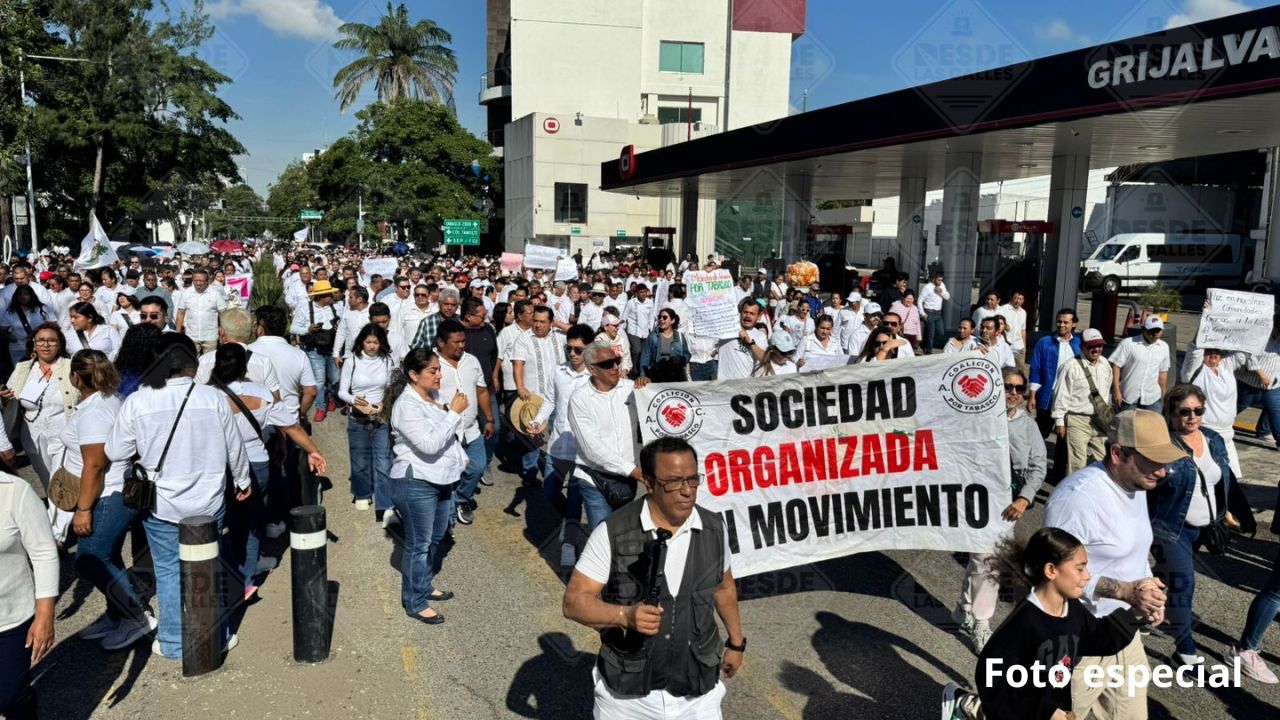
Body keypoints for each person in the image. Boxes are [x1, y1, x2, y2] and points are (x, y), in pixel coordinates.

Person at [564, 436, 744, 719]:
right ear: (648, 481)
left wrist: (736, 643)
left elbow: (724, 587)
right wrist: (625, 615)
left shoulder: (714, 527)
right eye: (673, 482)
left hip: (697, 693)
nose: (687, 491)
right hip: (627, 698)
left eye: (692, 479)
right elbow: (574, 602)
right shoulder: (612, 531)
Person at [106, 333, 251, 659]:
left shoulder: (138, 401)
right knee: (208, 568)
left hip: (161, 504)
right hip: (210, 500)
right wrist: (242, 480)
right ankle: (219, 635)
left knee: (169, 570)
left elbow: (116, 451)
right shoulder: (213, 399)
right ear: (193, 362)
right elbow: (235, 447)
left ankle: (173, 642)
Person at [1043, 409, 1178, 717]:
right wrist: (1125, 591)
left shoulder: (1136, 484)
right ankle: (972, 707)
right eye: (1153, 461)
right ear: (1118, 453)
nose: (1162, 471)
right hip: (1077, 645)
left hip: (1124, 634)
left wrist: (1147, 590)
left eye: (1164, 461)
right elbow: (1052, 573)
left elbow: (1133, 552)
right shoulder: (1077, 499)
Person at [942, 528, 1144, 720]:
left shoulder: (1071, 609)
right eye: (1080, 568)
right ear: (1051, 570)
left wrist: (1136, 614)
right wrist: (1045, 710)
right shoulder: (1025, 622)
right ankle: (964, 704)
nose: (1087, 576)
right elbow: (992, 678)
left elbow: (1100, 638)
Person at [63, 350, 155, 650]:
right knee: (109, 554)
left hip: (107, 494)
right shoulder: (110, 400)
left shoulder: (94, 411)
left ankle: (136, 615)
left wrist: (83, 509)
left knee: (90, 560)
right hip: (114, 490)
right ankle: (117, 613)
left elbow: (95, 464)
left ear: (76, 378)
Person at [952, 367, 1047, 654]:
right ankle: (982, 622)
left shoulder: (1028, 425)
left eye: (1020, 389)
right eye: (1008, 387)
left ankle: (965, 608)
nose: (1014, 394)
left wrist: (1024, 499)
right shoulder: (978, 419)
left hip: (1008, 504)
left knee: (985, 559)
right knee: (985, 559)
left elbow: (1038, 465)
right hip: (977, 499)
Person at [1149, 384, 1234, 666]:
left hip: (1205, 527)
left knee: (1164, 577)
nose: (1192, 417)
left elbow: (1223, 478)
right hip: (1171, 529)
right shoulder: (1162, 447)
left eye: (1198, 411)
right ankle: (1184, 649)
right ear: (1171, 414)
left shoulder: (1213, 440)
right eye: (1184, 412)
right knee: (1184, 584)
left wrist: (1227, 510)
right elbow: (1144, 488)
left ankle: (1131, 602)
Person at [387, 348, 469, 625]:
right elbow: (429, 444)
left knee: (436, 536)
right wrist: (454, 414)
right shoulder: (406, 406)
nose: (438, 375)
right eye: (432, 371)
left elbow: (449, 438)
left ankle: (423, 584)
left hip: (442, 478)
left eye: (438, 370)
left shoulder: (435, 397)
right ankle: (415, 601)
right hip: (416, 479)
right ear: (413, 374)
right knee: (418, 544)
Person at [0, 323, 80, 541]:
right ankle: (63, 515)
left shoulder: (70, 366)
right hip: (32, 435)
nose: (46, 345)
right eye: (41, 340)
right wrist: (6, 397)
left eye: (52, 340)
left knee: (59, 481)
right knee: (47, 481)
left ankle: (56, 537)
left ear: (60, 344)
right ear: (33, 344)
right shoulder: (24, 368)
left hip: (63, 435)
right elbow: (11, 394)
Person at [208, 344, 275, 601]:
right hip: (257, 459)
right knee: (252, 525)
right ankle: (246, 578)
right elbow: (279, 424)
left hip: (220, 463)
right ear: (244, 366)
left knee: (224, 523)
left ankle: (227, 573)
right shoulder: (263, 393)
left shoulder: (208, 395)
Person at [527, 324, 596, 567]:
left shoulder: (597, 376)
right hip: (558, 444)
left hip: (582, 450)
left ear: (589, 348)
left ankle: (569, 542)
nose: (573, 354)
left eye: (578, 349)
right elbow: (550, 401)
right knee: (550, 490)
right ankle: (571, 522)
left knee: (576, 496)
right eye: (569, 348)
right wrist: (537, 421)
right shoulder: (558, 371)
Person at [569, 341, 649, 530]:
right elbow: (592, 449)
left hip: (627, 479)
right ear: (592, 370)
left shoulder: (632, 390)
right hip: (595, 478)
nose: (614, 367)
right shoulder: (579, 400)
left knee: (625, 536)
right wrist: (635, 471)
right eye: (607, 364)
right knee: (602, 536)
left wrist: (649, 390)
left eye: (617, 361)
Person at [0, 463, 57, 719]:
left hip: (11, 619)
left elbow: (44, 552)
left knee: (10, 694)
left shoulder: (15, 491)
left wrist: (44, 616)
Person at [435, 319, 494, 526]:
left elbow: (482, 390)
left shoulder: (472, 361)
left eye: (463, 341)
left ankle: (462, 500)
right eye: (456, 342)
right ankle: (446, 520)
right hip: (446, 433)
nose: (462, 345)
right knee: (448, 475)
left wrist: (489, 418)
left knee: (477, 468)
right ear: (441, 342)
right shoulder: (431, 364)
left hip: (472, 429)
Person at [1181, 340, 1249, 481]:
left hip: (1228, 435)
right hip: (1207, 435)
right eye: (1208, 351)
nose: (1213, 354)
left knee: (1232, 482)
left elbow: (1244, 349)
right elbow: (1194, 350)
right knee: (1211, 479)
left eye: (1216, 350)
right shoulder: (1195, 370)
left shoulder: (1226, 365)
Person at [1051, 328, 1114, 474]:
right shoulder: (1070, 366)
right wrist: (1059, 421)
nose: (1096, 349)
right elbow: (1061, 394)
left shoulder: (1105, 364)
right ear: (1082, 347)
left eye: (1099, 345)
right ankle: (1073, 492)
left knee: (1103, 460)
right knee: (1077, 463)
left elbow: (1106, 392)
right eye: (1091, 346)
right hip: (1077, 418)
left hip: (1099, 420)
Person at [292, 280, 342, 421]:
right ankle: (321, 407)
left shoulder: (337, 308)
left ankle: (330, 395)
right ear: (321, 296)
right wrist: (307, 329)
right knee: (319, 381)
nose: (332, 296)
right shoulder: (304, 309)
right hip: (314, 350)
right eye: (329, 294)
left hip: (332, 348)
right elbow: (293, 328)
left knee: (335, 378)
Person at [1110, 316, 1170, 412]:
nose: (1155, 334)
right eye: (1152, 330)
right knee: (1128, 426)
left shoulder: (1164, 347)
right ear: (1143, 329)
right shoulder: (1128, 343)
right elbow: (1116, 366)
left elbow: (1163, 373)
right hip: (1129, 397)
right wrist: (1116, 390)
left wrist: (1164, 397)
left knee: (1154, 426)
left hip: (1153, 399)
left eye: (1158, 331)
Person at [175, 269, 227, 355]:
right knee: (192, 362)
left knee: (209, 362)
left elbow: (224, 314)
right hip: (191, 336)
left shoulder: (215, 294)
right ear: (192, 280)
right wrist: (177, 333)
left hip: (210, 336)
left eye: (201, 281)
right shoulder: (186, 294)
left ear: (207, 281)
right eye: (196, 280)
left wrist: (223, 333)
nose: (198, 283)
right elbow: (181, 313)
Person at [716, 298, 768, 381]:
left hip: (745, 384)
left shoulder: (760, 336)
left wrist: (750, 343)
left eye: (752, 313)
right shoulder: (726, 328)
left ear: (759, 316)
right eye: (745, 312)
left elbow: (764, 359)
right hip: (724, 383)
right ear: (740, 313)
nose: (747, 316)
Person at [0, 286, 52, 365]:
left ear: (31, 295)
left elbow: (53, 326)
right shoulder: (10, 312)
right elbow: (2, 330)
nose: (22, 296)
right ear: (16, 296)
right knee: (20, 375)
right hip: (18, 348)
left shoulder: (42, 309)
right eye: (19, 294)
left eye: (26, 294)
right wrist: (10, 337)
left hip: (40, 347)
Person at [640, 307, 690, 382]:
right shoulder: (653, 336)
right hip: (657, 375)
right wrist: (643, 376)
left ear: (672, 321)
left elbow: (687, 354)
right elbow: (645, 356)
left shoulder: (680, 336)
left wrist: (680, 359)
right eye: (659, 317)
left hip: (676, 376)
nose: (661, 319)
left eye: (665, 317)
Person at [332, 284, 371, 363]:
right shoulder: (347, 312)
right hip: (349, 357)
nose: (348, 300)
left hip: (370, 357)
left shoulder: (373, 311)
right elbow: (341, 333)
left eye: (350, 297)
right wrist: (336, 354)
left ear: (359, 299)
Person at [622, 284, 654, 377]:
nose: (643, 294)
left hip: (645, 332)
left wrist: (651, 330)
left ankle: (642, 373)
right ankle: (634, 371)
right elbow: (624, 316)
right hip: (633, 331)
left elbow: (651, 318)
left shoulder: (650, 302)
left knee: (644, 353)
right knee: (637, 351)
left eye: (645, 291)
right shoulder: (631, 302)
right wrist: (622, 331)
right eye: (641, 292)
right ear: (636, 293)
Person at [918, 274, 949, 352]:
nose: (940, 282)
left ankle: (924, 341)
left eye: (941, 280)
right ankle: (928, 350)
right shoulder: (927, 287)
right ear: (934, 279)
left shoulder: (942, 285)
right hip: (929, 312)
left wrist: (941, 292)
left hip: (938, 313)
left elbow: (947, 297)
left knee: (941, 332)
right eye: (938, 280)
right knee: (931, 333)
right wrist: (923, 314)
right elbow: (919, 300)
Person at [1001, 290, 1028, 366]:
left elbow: (1023, 330)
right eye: (1015, 298)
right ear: (1011, 298)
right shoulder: (1003, 309)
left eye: (1020, 299)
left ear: (1023, 301)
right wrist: (1005, 326)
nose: (1017, 301)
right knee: (1005, 371)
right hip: (1006, 346)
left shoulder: (1023, 312)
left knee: (1019, 371)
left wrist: (1024, 347)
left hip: (1019, 347)